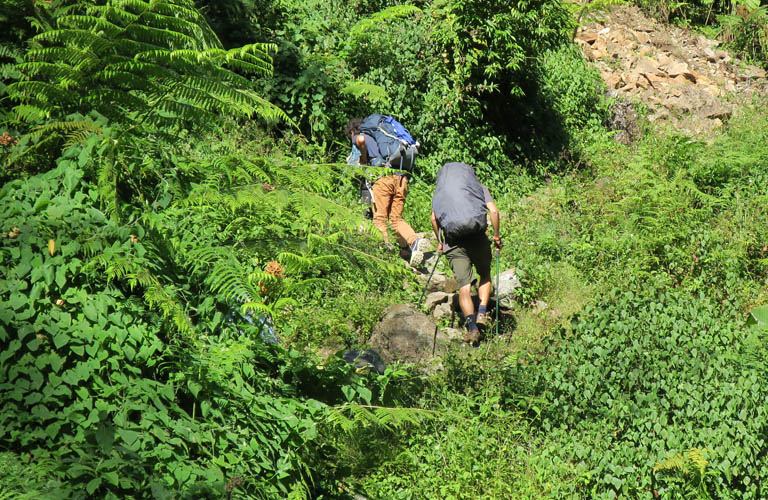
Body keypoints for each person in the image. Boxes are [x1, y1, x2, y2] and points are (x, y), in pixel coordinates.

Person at [430, 162, 502, 345]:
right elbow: (493, 210)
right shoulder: (479, 187)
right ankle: (483, 312)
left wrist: (440, 243)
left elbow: (434, 218)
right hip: (477, 237)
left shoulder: (440, 193)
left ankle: (472, 328)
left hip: (454, 243)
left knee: (464, 287)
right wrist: (496, 236)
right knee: (485, 274)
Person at [346, 118, 430, 266]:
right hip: (401, 178)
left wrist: (363, 156)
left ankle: (385, 257)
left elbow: (359, 139)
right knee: (396, 220)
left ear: (352, 131)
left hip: (383, 179)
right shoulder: (382, 138)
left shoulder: (362, 136)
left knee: (379, 219)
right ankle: (415, 241)